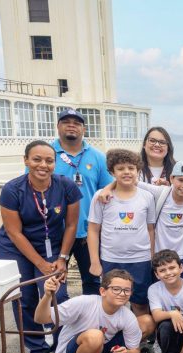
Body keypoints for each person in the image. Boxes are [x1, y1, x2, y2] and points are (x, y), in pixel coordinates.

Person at [0, 140, 82, 353]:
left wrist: (62, 258)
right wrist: (40, 264)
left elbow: (71, 225)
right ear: (26, 161)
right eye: (37, 159)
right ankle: (38, 350)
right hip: (14, 247)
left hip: (50, 246)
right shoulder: (12, 189)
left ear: (55, 163)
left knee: (58, 295)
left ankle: (63, 348)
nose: (43, 165)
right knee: (25, 296)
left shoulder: (66, 186)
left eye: (49, 160)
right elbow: (14, 232)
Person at [34, 269, 143, 353]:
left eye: (127, 290)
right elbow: (41, 318)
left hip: (101, 348)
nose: (122, 294)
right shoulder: (84, 302)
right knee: (95, 336)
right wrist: (47, 296)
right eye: (116, 289)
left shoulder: (127, 315)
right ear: (103, 291)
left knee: (144, 323)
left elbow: (135, 352)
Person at [87, 149, 156, 341]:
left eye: (131, 168)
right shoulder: (101, 196)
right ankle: (110, 341)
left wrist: (151, 257)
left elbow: (150, 229)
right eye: (121, 168)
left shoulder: (147, 197)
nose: (127, 172)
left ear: (138, 171)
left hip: (140, 259)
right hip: (111, 258)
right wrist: (95, 262)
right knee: (112, 302)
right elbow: (93, 230)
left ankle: (139, 343)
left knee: (140, 303)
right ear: (112, 172)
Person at [50, 108, 111, 296]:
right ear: (58, 126)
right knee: (55, 286)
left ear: (84, 129)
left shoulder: (98, 157)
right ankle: (60, 316)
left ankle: (90, 316)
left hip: (88, 232)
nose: (71, 126)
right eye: (66, 122)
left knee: (93, 283)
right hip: (55, 231)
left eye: (77, 123)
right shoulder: (48, 153)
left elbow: (108, 190)